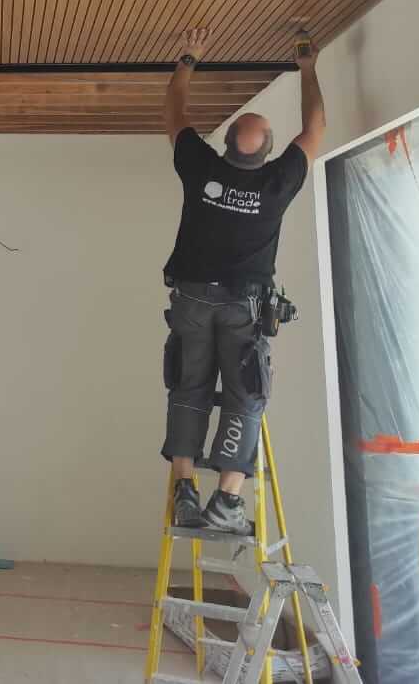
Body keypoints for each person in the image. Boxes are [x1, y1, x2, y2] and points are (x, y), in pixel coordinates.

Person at [158, 27, 325, 533]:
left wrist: (189, 59)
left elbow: (174, 112)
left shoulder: (200, 168)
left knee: (188, 387)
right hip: (241, 309)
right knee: (245, 394)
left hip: (191, 300)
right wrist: (308, 68)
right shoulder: (277, 183)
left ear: (226, 143)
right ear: (269, 152)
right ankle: (226, 501)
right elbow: (315, 127)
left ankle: (185, 493)